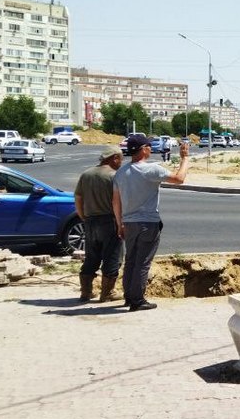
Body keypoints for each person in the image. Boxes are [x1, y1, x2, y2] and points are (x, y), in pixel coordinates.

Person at [112, 132, 190, 311]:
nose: (150, 148)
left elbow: (115, 201)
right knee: (143, 262)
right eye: (148, 146)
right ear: (143, 150)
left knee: (131, 260)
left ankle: (129, 296)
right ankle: (137, 300)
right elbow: (179, 179)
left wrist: (119, 223)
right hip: (148, 222)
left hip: (129, 222)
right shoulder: (151, 169)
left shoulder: (121, 173)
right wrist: (185, 159)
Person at [73, 147, 124, 302]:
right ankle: (107, 293)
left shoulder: (86, 174)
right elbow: (118, 201)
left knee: (91, 257)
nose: (121, 163)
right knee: (112, 257)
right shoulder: (114, 176)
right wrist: (120, 223)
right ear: (115, 158)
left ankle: (86, 292)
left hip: (89, 221)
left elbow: (78, 198)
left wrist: (84, 217)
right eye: (121, 159)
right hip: (109, 220)